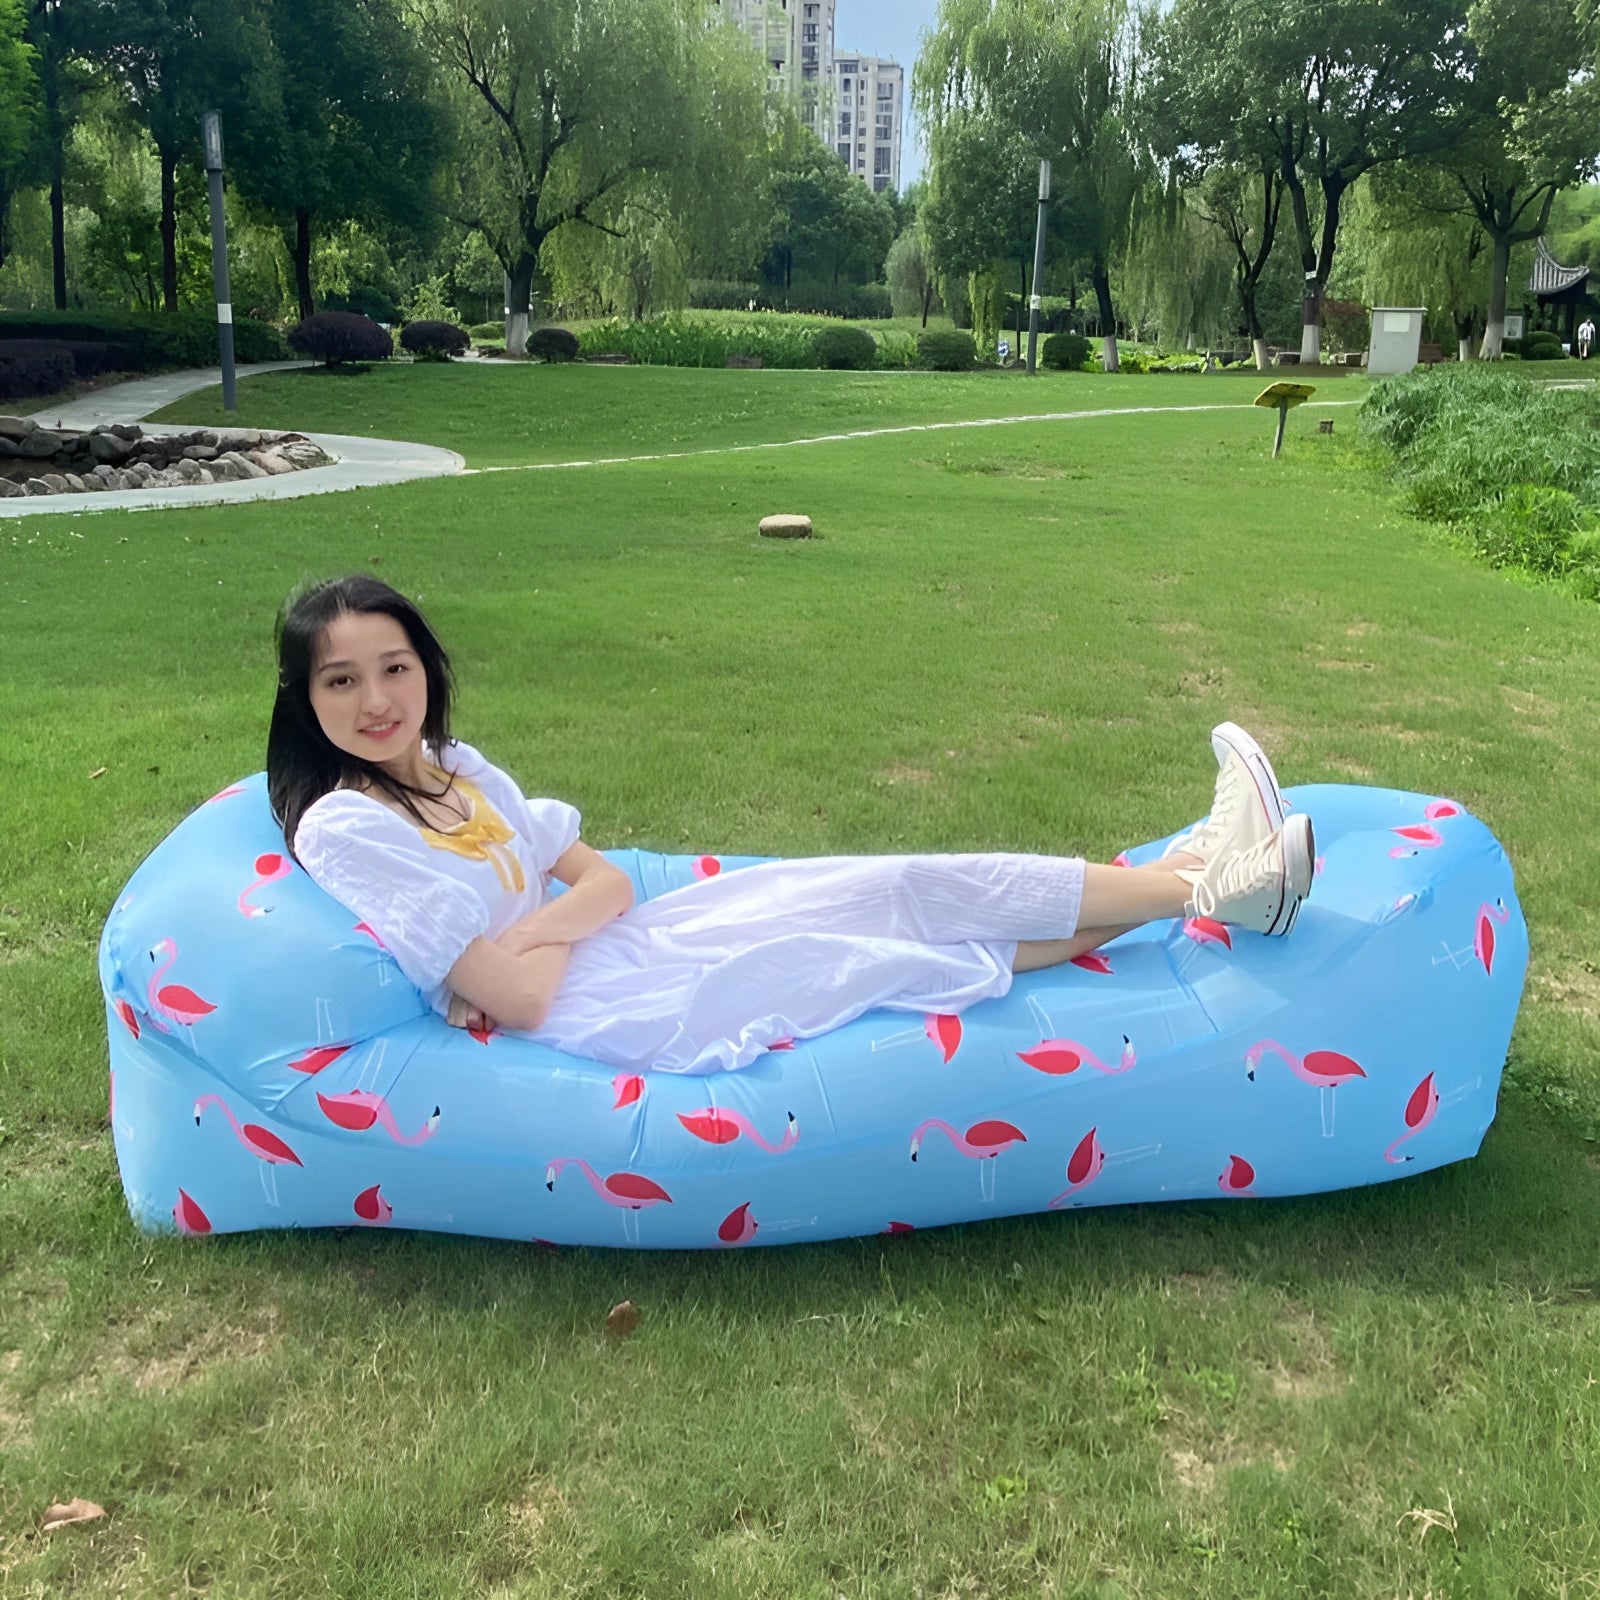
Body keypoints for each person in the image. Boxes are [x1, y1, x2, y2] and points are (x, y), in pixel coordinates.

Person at [267, 576, 1314, 1074]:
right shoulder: (344, 827)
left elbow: (608, 886)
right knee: (884, 945)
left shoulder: (458, 768)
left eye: (394, 668)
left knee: (891, 883)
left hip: (631, 941)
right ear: (303, 699)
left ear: (427, 669)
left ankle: (1200, 880)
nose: (375, 701)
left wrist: (531, 926)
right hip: (627, 1003)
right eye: (341, 680)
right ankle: (1209, 881)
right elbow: (525, 1001)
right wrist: (540, 931)